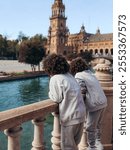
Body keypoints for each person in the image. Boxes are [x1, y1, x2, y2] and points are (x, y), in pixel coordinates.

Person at [43, 54, 86, 150]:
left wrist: (49, 93)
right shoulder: (70, 76)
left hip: (70, 117)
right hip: (81, 115)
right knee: (75, 144)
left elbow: (56, 98)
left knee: (68, 147)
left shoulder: (55, 78)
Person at [70, 57, 107, 150]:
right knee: (97, 125)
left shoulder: (78, 75)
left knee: (90, 127)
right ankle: (98, 143)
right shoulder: (91, 74)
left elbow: (81, 91)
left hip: (95, 104)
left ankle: (92, 147)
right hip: (103, 102)